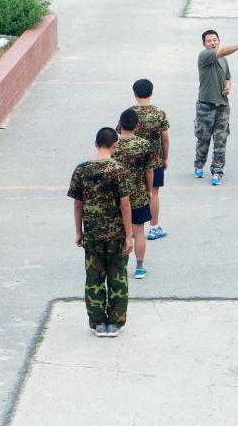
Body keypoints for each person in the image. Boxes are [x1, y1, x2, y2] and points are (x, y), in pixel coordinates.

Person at [68, 128, 134, 338]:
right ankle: (115, 322)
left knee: (94, 278)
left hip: (93, 234)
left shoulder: (82, 169)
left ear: (95, 144)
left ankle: (98, 323)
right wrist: (128, 235)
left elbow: (78, 204)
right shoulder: (120, 170)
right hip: (116, 234)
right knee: (118, 278)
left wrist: (79, 231)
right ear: (116, 145)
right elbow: (125, 205)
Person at [193, 30, 238, 186]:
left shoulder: (223, 60)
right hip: (205, 105)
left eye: (215, 40)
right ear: (204, 44)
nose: (213, 43)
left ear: (219, 40)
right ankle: (199, 165)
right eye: (209, 41)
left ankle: (217, 172)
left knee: (221, 140)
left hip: (222, 106)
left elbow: (228, 77)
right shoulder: (204, 56)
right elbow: (225, 50)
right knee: (203, 138)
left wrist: (227, 88)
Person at [120, 79, 170, 241]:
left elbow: (118, 135)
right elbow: (165, 138)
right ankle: (154, 227)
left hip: (130, 161)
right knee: (153, 193)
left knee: (128, 194)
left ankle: (132, 227)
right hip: (154, 160)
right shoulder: (159, 113)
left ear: (134, 93)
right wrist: (165, 158)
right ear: (151, 92)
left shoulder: (128, 113)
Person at [114, 109, 157, 280]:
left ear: (120, 123)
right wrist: (149, 190)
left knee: (119, 232)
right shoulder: (144, 145)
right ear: (137, 125)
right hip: (138, 193)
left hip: (117, 195)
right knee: (139, 231)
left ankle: (119, 267)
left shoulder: (113, 144)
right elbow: (149, 171)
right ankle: (139, 267)